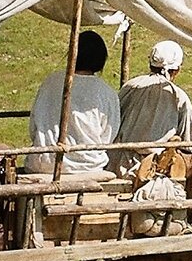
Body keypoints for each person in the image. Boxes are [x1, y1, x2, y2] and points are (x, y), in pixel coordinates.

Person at [117, 40, 192, 202]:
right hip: (153, 165)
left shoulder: (130, 86)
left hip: (119, 160)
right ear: (177, 70)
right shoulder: (176, 95)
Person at [25, 30, 120, 174]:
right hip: (88, 166)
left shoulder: (51, 82)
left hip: (44, 163)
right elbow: (108, 136)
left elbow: (34, 125)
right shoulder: (106, 92)